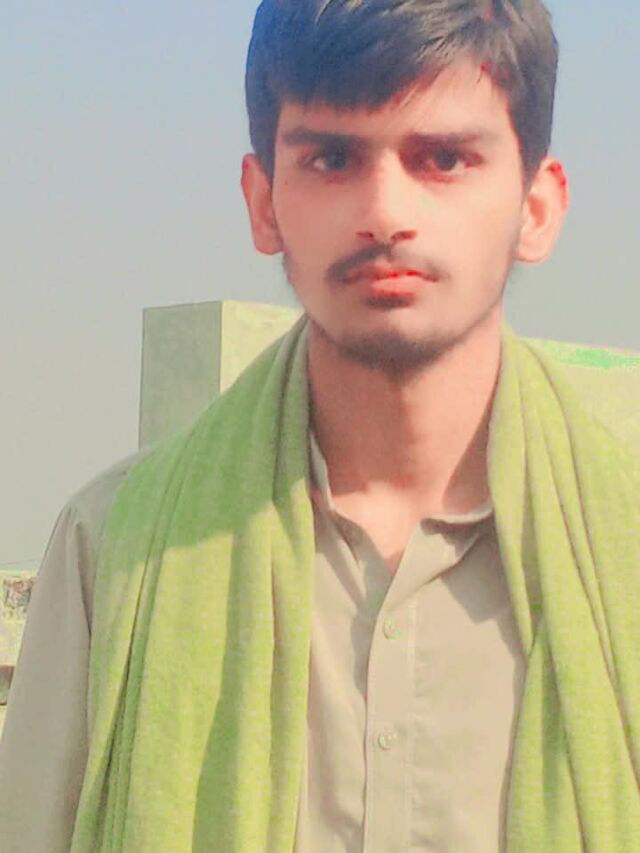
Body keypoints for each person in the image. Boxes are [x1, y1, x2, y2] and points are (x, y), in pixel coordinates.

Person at [2, 0, 640, 850]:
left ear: (538, 206)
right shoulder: (117, 552)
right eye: (333, 158)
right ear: (263, 202)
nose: (385, 211)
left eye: (444, 158)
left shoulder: (621, 552)